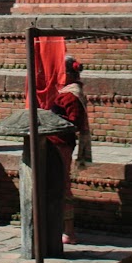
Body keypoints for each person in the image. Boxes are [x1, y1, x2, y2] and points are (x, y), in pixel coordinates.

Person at [48, 55, 91, 245]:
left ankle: (69, 231)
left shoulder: (71, 96)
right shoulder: (66, 92)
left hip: (61, 144)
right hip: (54, 143)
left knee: (62, 185)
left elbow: (72, 123)